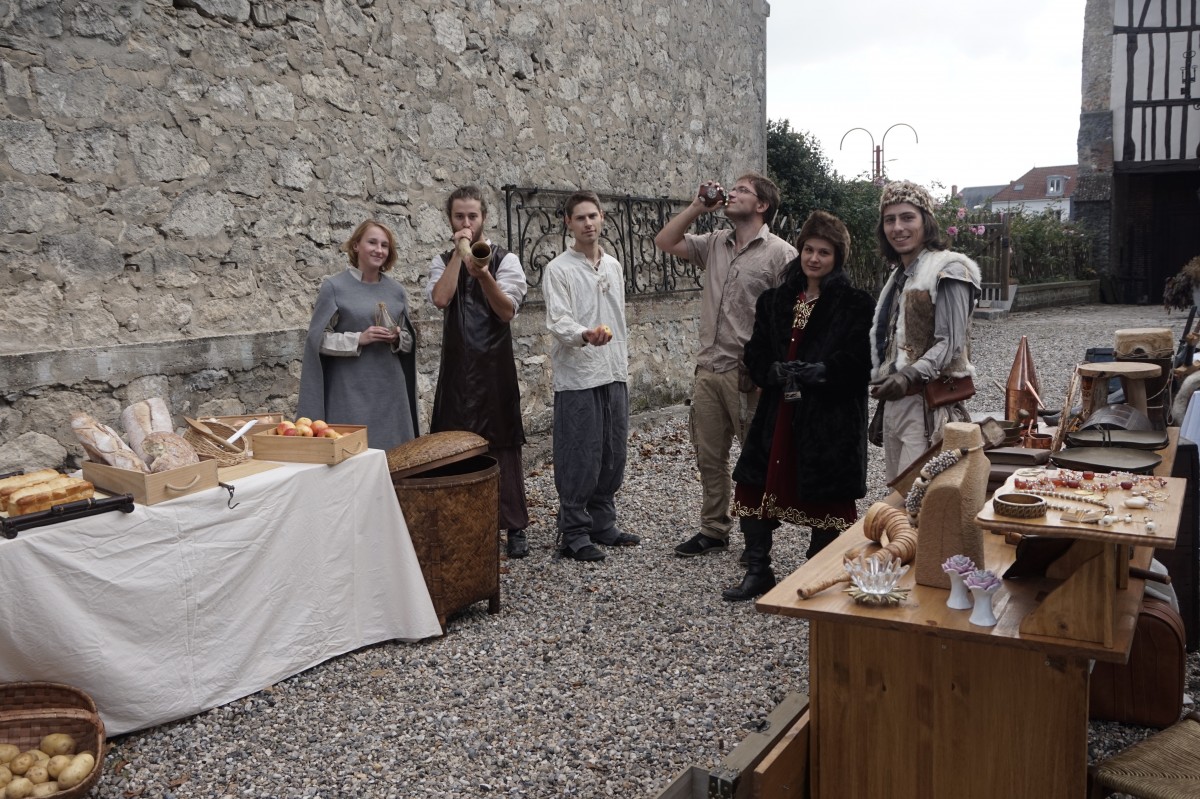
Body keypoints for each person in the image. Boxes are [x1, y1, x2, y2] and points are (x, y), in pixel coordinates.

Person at [724, 211, 875, 601]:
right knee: (754, 486)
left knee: (824, 491)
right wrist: (770, 370)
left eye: (824, 252)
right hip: (778, 413)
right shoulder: (775, 300)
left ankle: (817, 573)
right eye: (809, 249)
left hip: (830, 418)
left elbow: (861, 362)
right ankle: (758, 571)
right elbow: (754, 351)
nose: (813, 258)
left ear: (837, 257)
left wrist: (822, 371)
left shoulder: (856, 304)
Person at [654, 173, 796, 559]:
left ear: (762, 205)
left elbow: (789, 320)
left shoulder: (782, 254)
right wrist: (699, 206)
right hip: (708, 370)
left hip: (747, 375)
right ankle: (713, 530)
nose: (731, 193)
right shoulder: (715, 243)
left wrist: (773, 373)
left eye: (742, 191)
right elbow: (664, 241)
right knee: (709, 457)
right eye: (732, 189)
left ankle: (758, 539)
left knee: (755, 460)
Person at [427, 186, 531, 559]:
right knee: (453, 447)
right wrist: (459, 256)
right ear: (450, 220)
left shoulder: (507, 261)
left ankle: (514, 525)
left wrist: (484, 274)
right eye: (459, 217)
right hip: (457, 371)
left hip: (494, 366)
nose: (466, 223)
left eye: (472, 216)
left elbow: (506, 312)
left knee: (504, 445)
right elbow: (441, 299)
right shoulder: (441, 261)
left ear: (484, 216)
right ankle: (461, 524)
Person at [543, 190, 640, 562]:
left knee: (612, 451)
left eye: (593, 216)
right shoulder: (559, 269)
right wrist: (584, 335)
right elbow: (559, 320)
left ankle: (603, 522)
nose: (588, 223)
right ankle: (573, 531)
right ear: (568, 222)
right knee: (579, 453)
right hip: (578, 375)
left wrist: (618, 357)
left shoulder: (614, 266)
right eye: (580, 217)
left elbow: (620, 319)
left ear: (602, 219)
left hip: (613, 370)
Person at [868, 180, 982, 481]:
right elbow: (895, 344)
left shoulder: (951, 270)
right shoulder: (899, 276)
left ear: (925, 221)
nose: (898, 227)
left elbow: (951, 344)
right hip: (897, 404)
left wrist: (908, 375)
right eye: (889, 219)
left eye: (907, 217)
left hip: (931, 407)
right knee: (897, 497)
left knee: (920, 501)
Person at [298, 219, 418, 451]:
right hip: (349, 391)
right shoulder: (334, 287)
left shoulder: (397, 291)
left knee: (396, 458)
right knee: (353, 455)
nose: (379, 249)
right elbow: (317, 340)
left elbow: (409, 341)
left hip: (391, 392)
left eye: (384, 245)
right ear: (356, 246)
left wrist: (396, 338)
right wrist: (358, 339)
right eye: (372, 242)